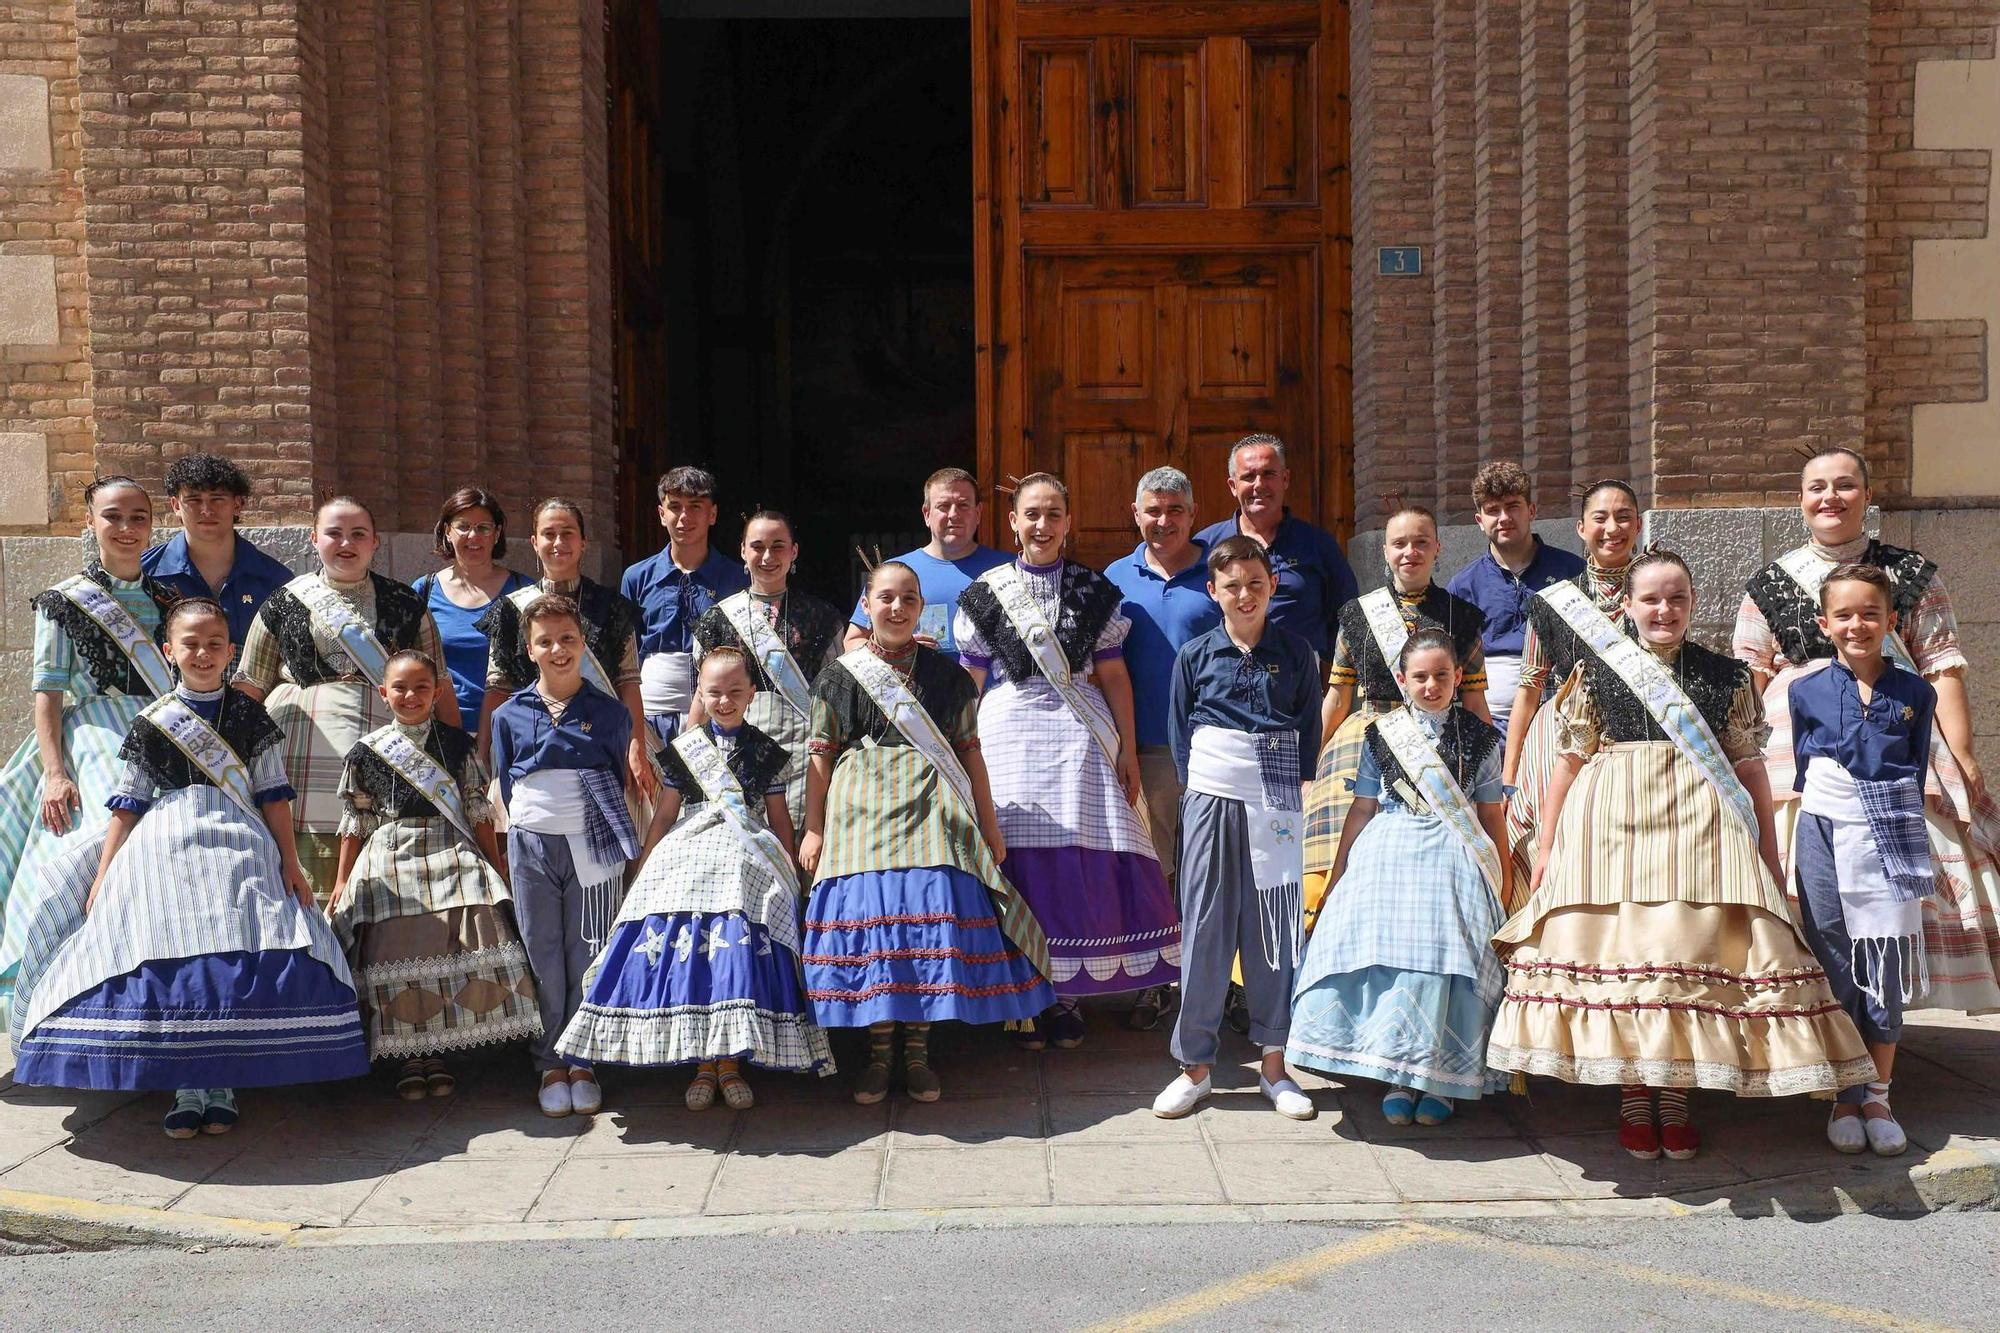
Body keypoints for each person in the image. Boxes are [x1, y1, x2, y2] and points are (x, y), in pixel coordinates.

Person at [1487, 550, 1874, 1162]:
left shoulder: (1725, 677)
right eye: (1651, 599)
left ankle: (1675, 1094)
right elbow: (1567, 763)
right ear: (1628, 606)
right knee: (1629, 959)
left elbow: (1749, 769)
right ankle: (1636, 1093)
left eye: (1676, 599)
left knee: (1681, 959)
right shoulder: (1592, 672)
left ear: (1693, 604)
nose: (1663, 610)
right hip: (1610, 827)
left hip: (1701, 828)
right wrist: (1549, 848)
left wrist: (1767, 854)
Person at [11, 597, 369, 1138]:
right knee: (160, 937)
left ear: (230, 651)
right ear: (168, 651)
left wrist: (290, 863)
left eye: (213, 644)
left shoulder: (251, 714)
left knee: (246, 934)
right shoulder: (153, 721)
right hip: (165, 839)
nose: (202, 653)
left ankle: (221, 1081)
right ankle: (185, 1086)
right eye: (190, 644)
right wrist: (106, 871)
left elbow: (273, 793)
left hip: (238, 835)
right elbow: (129, 800)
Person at [1735, 446, 2000, 1015]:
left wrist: (1963, 754)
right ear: (1800, 500)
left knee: (1896, 885)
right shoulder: (1770, 581)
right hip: (1799, 743)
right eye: (1817, 487)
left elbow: (1941, 665)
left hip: (1897, 730)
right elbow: (1753, 675)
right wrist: (1742, 758)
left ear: (1867, 496)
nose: (1830, 497)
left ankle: (1882, 1016)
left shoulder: (1913, 572)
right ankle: (1811, 1013)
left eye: (1844, 485)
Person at [800, 561, 1053, 1105]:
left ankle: (917, 1053)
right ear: (866, 606)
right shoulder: (839, 677)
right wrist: (814, 828)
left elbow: (971, 755)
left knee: (929, 908)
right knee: (875, 919)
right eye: (885, 598)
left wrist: (988, 826)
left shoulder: (948, 677)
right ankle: (877, 1054)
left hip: (931, 803)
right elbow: (819, 758)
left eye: (908, 598)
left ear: (921, 606)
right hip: (858, 806)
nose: (897, 607)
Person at [955, 473, 1180, 1049]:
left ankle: (1066, 998)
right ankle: (1019, 991)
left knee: (1074, 862)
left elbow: (1112, 674)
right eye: (1032, 514)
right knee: (1016, 860)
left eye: (1053, 514)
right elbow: (971, 681)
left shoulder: (1092, 590)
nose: (1042, 525)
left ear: (1068, 522)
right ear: (1012, 521)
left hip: (1079, 738)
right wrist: (959, 751)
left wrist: (1127, 749)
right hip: (1006, 737)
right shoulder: (985, 591)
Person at [558, 648, 832, 1111]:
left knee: (744, 925)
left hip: (746, 845)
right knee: (680, 932)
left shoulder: (767, 751)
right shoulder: (684, 751)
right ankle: (703, 1062)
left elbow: (780, 819)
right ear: (699, 694)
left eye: (735, 692)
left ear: (750, 694)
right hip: (690, 843)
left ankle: (730, 1062)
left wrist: (787, 866)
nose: (724, 701)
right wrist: (645, 863)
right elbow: (665, 814)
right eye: (714, 692)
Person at [1287, 628, 1510, 1126]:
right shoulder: (1380, 733)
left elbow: (1491, 815)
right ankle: (1395, 1074)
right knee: (1383, 955)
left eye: (1442, 676)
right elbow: (1363, 806)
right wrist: (1341, 869)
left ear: (1458, 678)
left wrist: (1504, 879)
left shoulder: (1482, 737)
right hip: (1387, 848)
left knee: (1443, 960)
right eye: (1421, 677)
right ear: (1402, 680)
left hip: (1452, 853)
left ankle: (1438, 1080)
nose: (1431, 685)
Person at [1151, 536, 1320, 1121]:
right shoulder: (1195, 656)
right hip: (1211, 792)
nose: (1244, 595)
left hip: (1276, 791)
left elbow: (1306, 727)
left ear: (1272, 586)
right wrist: (1202, 790)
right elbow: (1179, 735)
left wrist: (1294, 790)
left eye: (1255, 583)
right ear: (1213, 591)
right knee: (1204, 925)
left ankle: (1275, 1064)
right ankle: (1194, 1067)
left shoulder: (1297, 652)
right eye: (1232, 586)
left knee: (1274, 922)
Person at [0, 478, 179, 1018]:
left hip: (166, 730)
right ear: (90, 523)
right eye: (113, 517)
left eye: (138, 517)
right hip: (97, 732)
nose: (127, 528)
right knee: (109, 833)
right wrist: (55, 774)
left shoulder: (171, 598)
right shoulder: (63, 602)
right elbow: (47, 695)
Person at [328, 650, 541, 1100]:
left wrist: (495, 867)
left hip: (449, 841)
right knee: (392, 935)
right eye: (400, 688)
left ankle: (440, 1049)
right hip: (389, 849)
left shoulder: (457, 744)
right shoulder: (367, 752)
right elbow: (356, 820)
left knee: (479, 908)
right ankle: (408, 1054)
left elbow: (477, 810)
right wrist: (343, 879)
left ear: (437, 692)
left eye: (421, 687)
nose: (410, 696)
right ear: (383, 693)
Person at [234, 496, 459, 901]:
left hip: (386, 748)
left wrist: (457, 754)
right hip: (298, 751)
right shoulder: (283, 603)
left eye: (358, 534)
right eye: (334, 534)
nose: (346, 543)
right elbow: (250, 683)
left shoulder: (406, 604)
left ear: (374, 542)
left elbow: (437, 681)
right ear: (314, 539)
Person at [1789, 564, 1936, 1156]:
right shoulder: (1806, 691)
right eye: (1844, 615)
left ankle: (1878, 1092)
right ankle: (1843, 1093)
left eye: (1870, 613)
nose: (1858, 625)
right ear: (1825, 624)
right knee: (1833, 948)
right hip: (1824, 826)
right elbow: (1804, 765)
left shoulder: (1915, 693)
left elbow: (1918, 763)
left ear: (1891, 621)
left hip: (1891, 829)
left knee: (1884, 956)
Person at [489, 594, 641, 1119]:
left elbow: (620, 780)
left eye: (568, 639)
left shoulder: (610, 712)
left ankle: (584, 1058)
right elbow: (506, 785)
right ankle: (550, 1061)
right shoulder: (509, 715)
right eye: (545, 641)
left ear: (583, 644)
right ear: (529, 650)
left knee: (587, 951)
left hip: (592, 845)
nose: (558, 649)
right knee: (541, 951)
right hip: (531, 842)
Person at [1304, 506, 1487, 931]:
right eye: (1400, 543)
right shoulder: (1356, 615)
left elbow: (1475, 701)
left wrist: (1486, 760)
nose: (1411, 552)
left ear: (1437, 548)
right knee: (1335, 842)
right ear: (1385, 551)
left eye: (1421, 542)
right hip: (1366, 735)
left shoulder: (1461, 617)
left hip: (1444, 736)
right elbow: (1337, 696)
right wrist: (1312, 762)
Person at [1105, 466, 1220, 1031]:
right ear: (1135, 514)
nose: (1164, 520)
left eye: (1175, 510)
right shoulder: (1112, 580)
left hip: (1215, 746)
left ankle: (1220, 983)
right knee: (1159, 871)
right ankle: (1158, 981)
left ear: (1193, 514)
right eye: (1153, 509)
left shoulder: (1221, 573)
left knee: (1218, 869)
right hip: (1145, 747)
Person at [1499, 479, 1641, 898]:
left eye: (1623, 517)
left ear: (1638, 525)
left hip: (1636, 738)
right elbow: (1528, 689)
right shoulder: (1552, 602)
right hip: (1561, 735)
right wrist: (1509, 776)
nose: (1612, 528)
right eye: (1600, 518)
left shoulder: (1656, 593)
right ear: (1581, 528)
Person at [479, 498, 651, 795]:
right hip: (532, 742)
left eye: (568, 533)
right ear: (534, 542)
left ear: (583, 542)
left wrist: (636, 748)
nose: (558, 542)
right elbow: (497, 687)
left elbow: (628, 681)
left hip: (598, 742)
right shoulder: (509, 611)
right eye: (549, 533)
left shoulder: (611, 607)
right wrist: (482, 756)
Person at [689, 509, 846, 831]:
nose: (767, 556)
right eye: (757, 546)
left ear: (794, 551)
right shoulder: (716, 621)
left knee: (802, 846)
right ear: (743, 551)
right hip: (736, 748)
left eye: (778, 546)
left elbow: (834, 696)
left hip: (806, 751)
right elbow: (701, 700)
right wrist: (692, 758)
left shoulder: (822, 617)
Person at [1443, 461, 1585, 738]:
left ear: (1532, 510)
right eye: (1493, 510)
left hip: (1561, 719)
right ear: (1479, 521)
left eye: (1513, 506)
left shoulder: (1572, 572)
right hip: (1488, 724)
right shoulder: (1463, 586)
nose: (1504, 517)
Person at [1191, 433, 1358, 666]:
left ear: (1285, 479)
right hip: (1222, 678)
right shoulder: (1206, 545)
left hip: (1300, 681)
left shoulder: (1317, 544)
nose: (1259, 485)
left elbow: (1347, 615)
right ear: (1232, 485)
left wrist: (1338, 683)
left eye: (1268, 474)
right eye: (1249, 476)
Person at [621, 467, 749, 748]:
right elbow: (627, 655)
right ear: (661, 513)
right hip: (651, 715)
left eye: (695, 507)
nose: (684, 517)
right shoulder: (636, 578)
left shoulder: (737, 578)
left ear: (712, 514)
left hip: (720, 714)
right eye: (675, 507)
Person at [843, 466, 1010, 662]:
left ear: (978, 513)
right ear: (926, 514)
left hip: (996, 691)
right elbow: (852, 642)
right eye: (943, 506)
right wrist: (895, 650)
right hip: (917, 690)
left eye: (963, 505)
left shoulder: (1009, 569)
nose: (954, 514)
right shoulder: (894, 573)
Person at [139, 452, 295, 654]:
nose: (206, 510)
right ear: (176, 506)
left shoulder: (276, 580)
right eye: (194, 500)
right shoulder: (145, 574)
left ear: (238, 504)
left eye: (217, 499)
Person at [411, 487, 532, 739]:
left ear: (497, 534)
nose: (473, 536)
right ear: (447, 531)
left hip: (512, 733)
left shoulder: (525, 591)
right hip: (440, 733)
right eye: (463, 526)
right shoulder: (424, 590)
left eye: (483, 528)